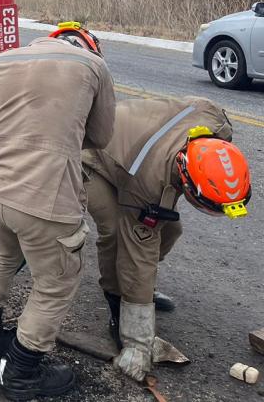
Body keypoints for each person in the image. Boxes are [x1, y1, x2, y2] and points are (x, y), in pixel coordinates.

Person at [0, 21, 116, 401]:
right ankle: (22, 371)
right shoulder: (93, 66)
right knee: (55, 281)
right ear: (89, 47)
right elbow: (100, 137)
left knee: (1, 252)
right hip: (43, 198)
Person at [82, 96, 250, 381]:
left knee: (171, 230)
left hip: (138, 143)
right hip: (94, 157)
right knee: (115, 232)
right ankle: (117, 301)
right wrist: (138, 341)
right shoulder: (149, 181)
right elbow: (140, 252)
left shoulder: (217, 127)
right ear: (186, 180)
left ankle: (136, 292)